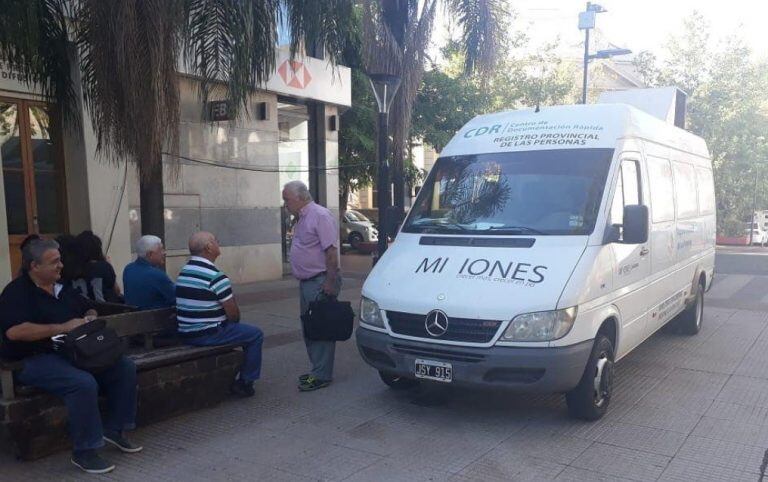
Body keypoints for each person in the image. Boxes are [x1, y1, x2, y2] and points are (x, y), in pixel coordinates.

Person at [0, 239, 141, 474]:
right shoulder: (16, 293)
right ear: (34, 266)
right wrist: (62, 327)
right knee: (82, 383)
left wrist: (90, 315)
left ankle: (115, 429)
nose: (61, 266)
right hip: (32, 359)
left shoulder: (61, 287)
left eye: (60, 260)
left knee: (124, 367)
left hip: (71, 352)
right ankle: (85, 451)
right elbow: (15, 332)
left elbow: (86, 306)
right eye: (54, 262)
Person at [175, 232, 263, 397]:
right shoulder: (215, 276)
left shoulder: (184, 271)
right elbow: (234, 315)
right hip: (208, 333)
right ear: (209, 247)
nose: (218, 243)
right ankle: (245, 382)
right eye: (216, 240)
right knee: (255, 335)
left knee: (242, 331)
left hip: (185, 332)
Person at [282, 180, 342, 392]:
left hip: (320, 280)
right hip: (308, 282)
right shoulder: (301, 218)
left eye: (287, 199)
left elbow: (331, 253)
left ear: (300, 197)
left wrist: (329, 282)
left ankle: (322, 375)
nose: (285, 203)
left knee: (320, 329)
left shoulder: (320, 215)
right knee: (310, 327)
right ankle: (318, 369)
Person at [123, 235, 175, 310]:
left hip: (133, 318)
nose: (164, 253)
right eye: (161, 250)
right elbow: (177, 298)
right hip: (156, 319)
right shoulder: (157, 275)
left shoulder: (128, 269)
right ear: (150, 254)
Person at [73, 231, 123, 303]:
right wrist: (108, 264)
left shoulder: (75, 269)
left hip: (84, 309)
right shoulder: (104, 266)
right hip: (107, 309)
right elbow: (117, 291)